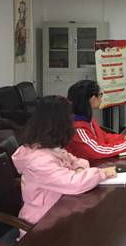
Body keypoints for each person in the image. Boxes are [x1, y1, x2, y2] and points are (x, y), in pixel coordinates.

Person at [12, 96, 116, 228]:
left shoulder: (49, 146)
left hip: (60, 211)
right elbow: (74, 184)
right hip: (41, 225)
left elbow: (77, 161)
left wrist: (78, 170)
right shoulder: (38, 160)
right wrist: (102, 174)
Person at [65, 80, 126, 160]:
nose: (101, 99)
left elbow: (103, 137)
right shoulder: (78, 129)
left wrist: (123, 138)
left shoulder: (87, 119)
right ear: (93, 99)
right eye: (100, 95)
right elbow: (97, 151)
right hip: (85, 166)